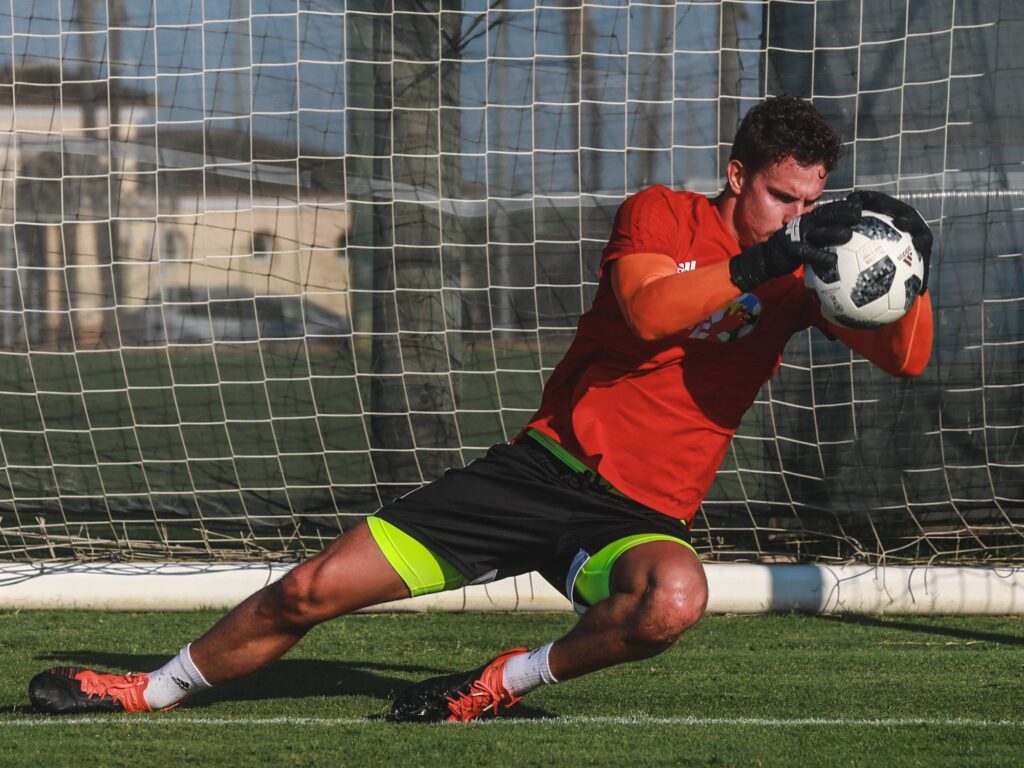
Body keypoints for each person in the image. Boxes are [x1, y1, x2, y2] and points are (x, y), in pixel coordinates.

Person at [28, 95, 933, 722]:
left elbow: (909, 356)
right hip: (534, 475)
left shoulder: (803, 278)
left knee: (672, 600)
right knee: (310, 590)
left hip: (635, 517)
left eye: (809, 204)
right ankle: (150, 690)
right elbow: (651, 310)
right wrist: (758, 265)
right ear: (737, 176)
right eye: (782, 197)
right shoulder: (660, 213)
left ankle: (503, 680)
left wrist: (908, 274)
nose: (794, 219)